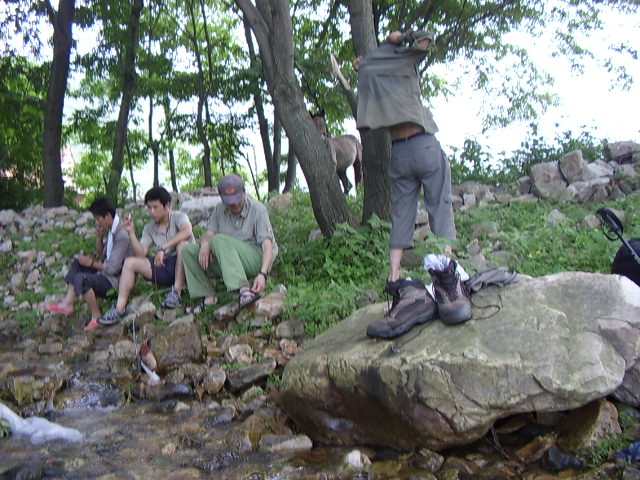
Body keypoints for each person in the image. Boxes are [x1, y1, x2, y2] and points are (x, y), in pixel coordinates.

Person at [355, 29, 471, 337]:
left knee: (402, 215)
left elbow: (369, 66)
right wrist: (402, 35)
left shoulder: (370, 72)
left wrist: (369, 60)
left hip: (399, 152)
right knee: (439, 207)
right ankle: (447, 281)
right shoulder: (404, 63)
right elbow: (426, 39)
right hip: (424, 144)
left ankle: (395, 279)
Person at [181, 174, 277, 314]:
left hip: (255, 259)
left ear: (244, 192)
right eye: (229, 201)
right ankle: (208, 297)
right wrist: (205, 244)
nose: (234, 204)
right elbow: (209, 234)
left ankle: (244, 290)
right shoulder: (220, 209)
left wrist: (263, 274)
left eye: (237, 199)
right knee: (188, 250)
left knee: (219, 239)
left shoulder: (257, 209)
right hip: (229, 261)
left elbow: (267, 245)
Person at [99, 186, 195, 325]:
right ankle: (119, 308)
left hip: (187, 266)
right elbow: (141, 253)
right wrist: (131, 233)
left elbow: (187, 231)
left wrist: (162, 248)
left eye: (155, 207)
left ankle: (176, 292)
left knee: (182, 245)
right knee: (130, 262)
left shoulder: (179, 217)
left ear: (167, 205)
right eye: (149, 208)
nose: (151, 212)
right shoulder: (149, 228)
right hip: (165, 266)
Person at [45, 197, 132, 332]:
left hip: (115, 282)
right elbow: (103, 255)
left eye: (98, 219)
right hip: (106, 273)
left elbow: (113, 268)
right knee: (78, 264)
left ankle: (96, 316)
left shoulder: (121, 235)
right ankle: (68, 303)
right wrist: (99, 238)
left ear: (108, 216)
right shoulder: (112, 230)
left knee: (82, 279)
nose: (97, 222)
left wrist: (91, 263)